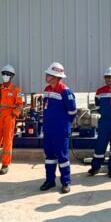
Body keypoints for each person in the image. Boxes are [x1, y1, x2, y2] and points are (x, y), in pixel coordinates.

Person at [40, 62, 77, 194]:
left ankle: (66, 182)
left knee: (62, 157)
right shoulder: (47, 89)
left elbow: (72, 111)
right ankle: (50, 181)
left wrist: (65, 125)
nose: (46, 76)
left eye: (48, 75)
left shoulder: (65, 91)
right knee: (49, 156)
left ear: (56, 77)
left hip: (60, 131)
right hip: (48, 129)